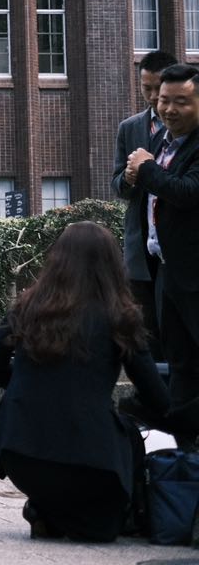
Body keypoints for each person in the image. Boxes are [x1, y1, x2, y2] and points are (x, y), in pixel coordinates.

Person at [0, 221, 171, 541]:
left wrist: (29, 382)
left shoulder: (28, 306)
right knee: (103, 529)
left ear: (57, 259)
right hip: (87, 458)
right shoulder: (120, 316)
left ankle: (44, 509)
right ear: (111, 265)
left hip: (21, 452)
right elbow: (156, 396)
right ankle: (81, 513)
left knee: (72, 508)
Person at [125, 61, 199, 442]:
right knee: (180, 363)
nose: (168, 109)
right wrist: (135, 172)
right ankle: (184, 451)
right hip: (168, 272)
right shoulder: (162, 141)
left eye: (180, 101)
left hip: (194, 275)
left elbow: (187, 192)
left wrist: (147, 169)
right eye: (163, 100)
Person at [115, 49, 177, 357]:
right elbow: (117, 186)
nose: (152, 97)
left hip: (174, 244)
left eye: (158, 88)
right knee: (144, 330)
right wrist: (127, 178)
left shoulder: (184, 126)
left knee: (174, 329)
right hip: (139, 245)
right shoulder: (130, 127)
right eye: (145, 88)